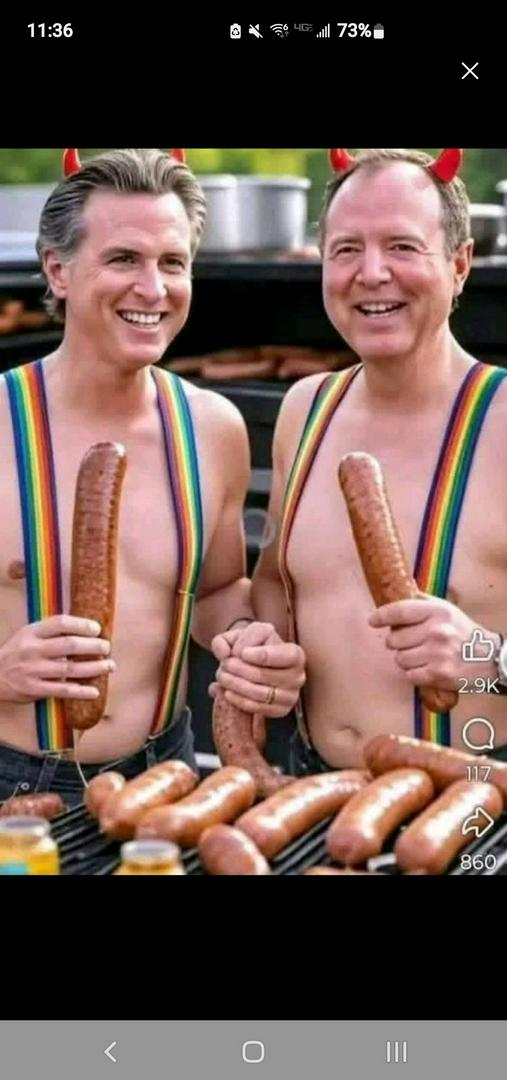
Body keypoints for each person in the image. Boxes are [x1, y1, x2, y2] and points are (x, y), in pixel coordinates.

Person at [0, 147, 305, 807]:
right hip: (9, 781)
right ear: (57, 269)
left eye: (172, 262)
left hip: (163, 777)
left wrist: (248, 642)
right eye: (123, 259)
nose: (152, 288)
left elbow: (216, 590)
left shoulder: (212, 427)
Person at [217, 146, 507, 773]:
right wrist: (258, 649)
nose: (372, 273)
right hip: (314, 784)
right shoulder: (304, 410)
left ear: (460, 264)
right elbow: (274, 583)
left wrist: (494, 658)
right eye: (346, 249)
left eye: (402, 247)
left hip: (480, 793)